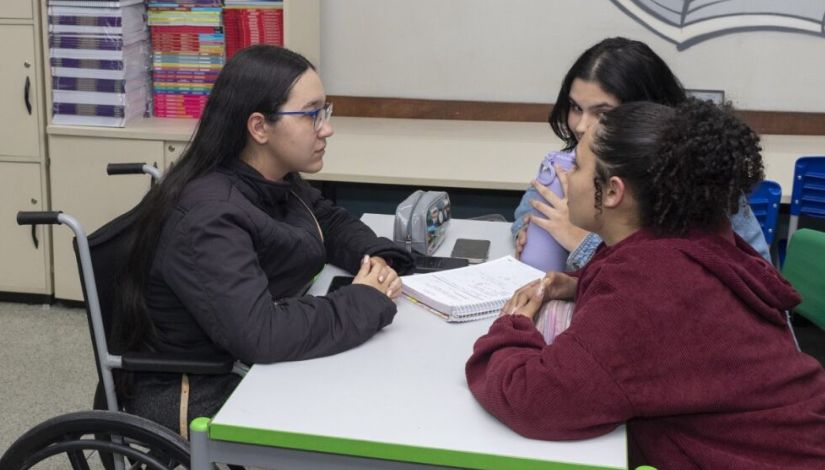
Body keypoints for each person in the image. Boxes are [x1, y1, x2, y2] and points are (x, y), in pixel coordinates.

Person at [466, 99, 825, 469]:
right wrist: (580, 283)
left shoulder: (648, 287)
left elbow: (533, 399)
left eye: (576, 165)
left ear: (612, 192)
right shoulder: (690, 239)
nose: (566, 176)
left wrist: (512, 327)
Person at [114, 45, 414, 433]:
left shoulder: (270, 178)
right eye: (311, 115)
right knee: (366, 415)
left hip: (243, 361)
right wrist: (363, 300)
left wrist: (376, 256)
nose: (326, 128)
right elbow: (261, 333)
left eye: (324, 112)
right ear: (259, 128)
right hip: (199, 389)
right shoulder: (210, 215)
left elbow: (327, 219)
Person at [512, 37, 770, 269]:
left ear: (644, 115)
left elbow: (669, 284)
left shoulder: (700, 189)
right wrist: (526, 231)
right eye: (576, 107)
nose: (581, 126)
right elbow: (530, 208)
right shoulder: (576, 162)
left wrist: (585, 245)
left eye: (602, 113)